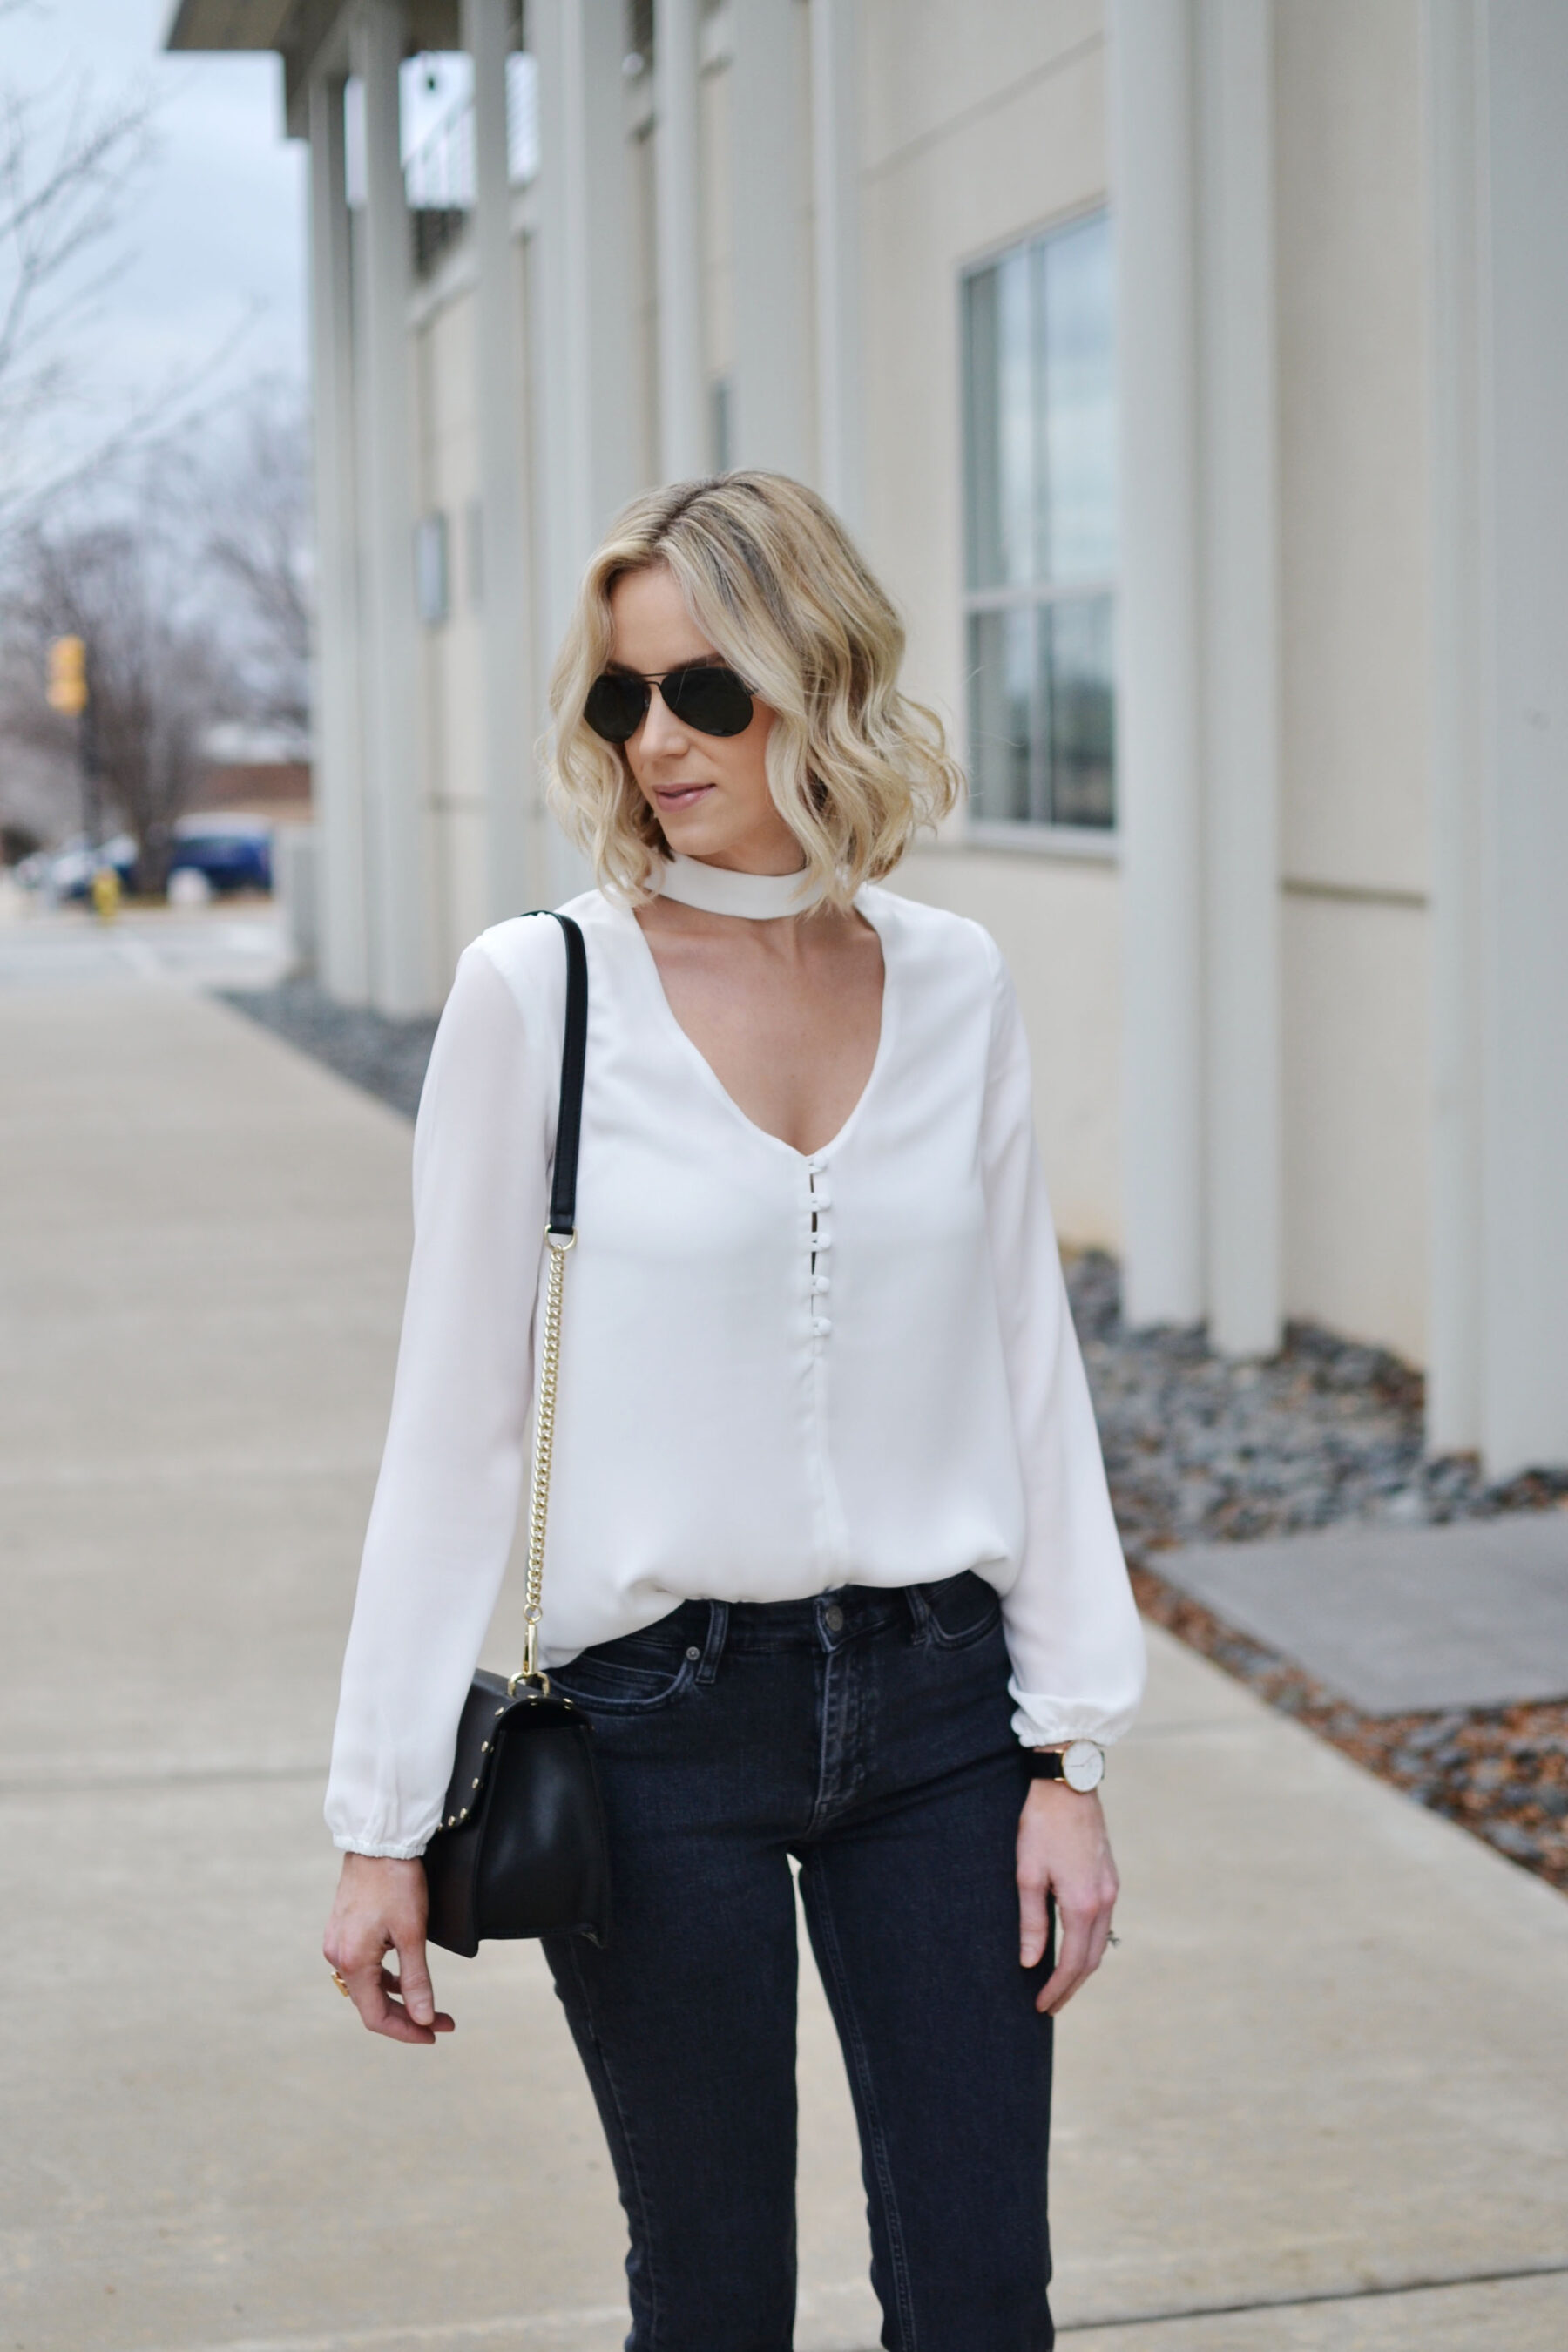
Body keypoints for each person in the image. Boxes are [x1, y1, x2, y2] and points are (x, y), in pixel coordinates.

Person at [322, 471, 1146, 2351]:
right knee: (711, 2302)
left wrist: (1069, 1757)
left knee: (982, 2293)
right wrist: (383, 1819)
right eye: (623, 698)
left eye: (707, 692)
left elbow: (1030, 1364)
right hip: (648, 1734)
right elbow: (455, 1426)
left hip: (940, 1716)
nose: (657, 743)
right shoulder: (542, 992)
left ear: (818, 683)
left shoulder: (955, 983)